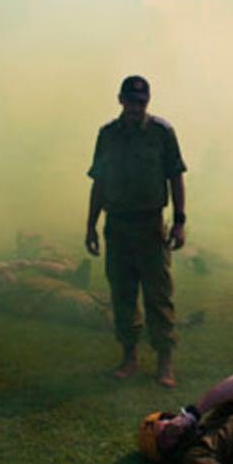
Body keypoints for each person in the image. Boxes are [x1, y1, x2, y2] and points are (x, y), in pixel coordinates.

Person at [85, 75, 188, 388]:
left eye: (141, 103)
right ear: (120, 100)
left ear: (148, 102)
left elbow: (175, 177)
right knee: (123, 293)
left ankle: (164, 361)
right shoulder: (107, 135)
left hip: (151, 224)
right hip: (117, 225)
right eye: (131, 101)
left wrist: (180, 220)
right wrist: (90, 224)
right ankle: (129, 357)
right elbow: (99, 183)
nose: (135, 108)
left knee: (159, 294)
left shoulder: (161, 133)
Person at [0, 257, 110, 330]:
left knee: (120, 303)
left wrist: (31, 263)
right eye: (4, 271)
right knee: (113, 319)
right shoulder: (6, 293)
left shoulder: (22, 282)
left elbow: (59, 270)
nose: (10, 272)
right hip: (66, 302)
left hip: (74, 293)